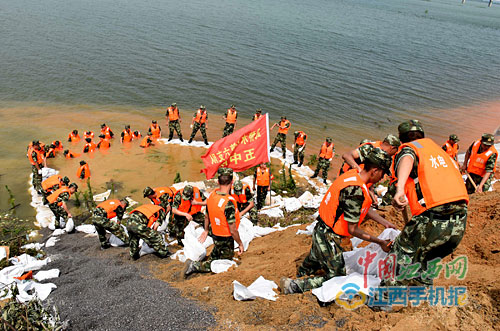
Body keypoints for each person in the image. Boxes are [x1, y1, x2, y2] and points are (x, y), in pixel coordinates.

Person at [280, 149, 396, 294]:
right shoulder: (356, 190)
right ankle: (294, 286)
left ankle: (303, 270)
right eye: (383, 173)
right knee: (336, 278)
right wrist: (380, 242)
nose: (382, 178)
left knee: (315, 257)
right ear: (375, 170)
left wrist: (383, 222)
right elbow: (353, 230)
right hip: (330, 238)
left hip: (321, 229)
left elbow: (361, 209)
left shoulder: (353, 175)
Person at [382, 119, 469, 288]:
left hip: (433, 213)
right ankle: (420, 293)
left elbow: (407, 157)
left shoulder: (409, 149)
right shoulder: (439, 151)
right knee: (429, 258)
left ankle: (385, 301)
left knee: (400, 256)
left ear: (401, 139)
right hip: (460, 216)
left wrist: (400, 189)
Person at [183, 168, 243, 277]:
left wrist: (206, 230)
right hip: (226, 237)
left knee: (216, 252)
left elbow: (207, 216)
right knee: (225, 263)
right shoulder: (228, 202)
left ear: (218, 182)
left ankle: (211, 258)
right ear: (232, 182)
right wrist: (240, 243)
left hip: (215, 233)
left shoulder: (212, 195)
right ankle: (196, 266)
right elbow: (233, 229)